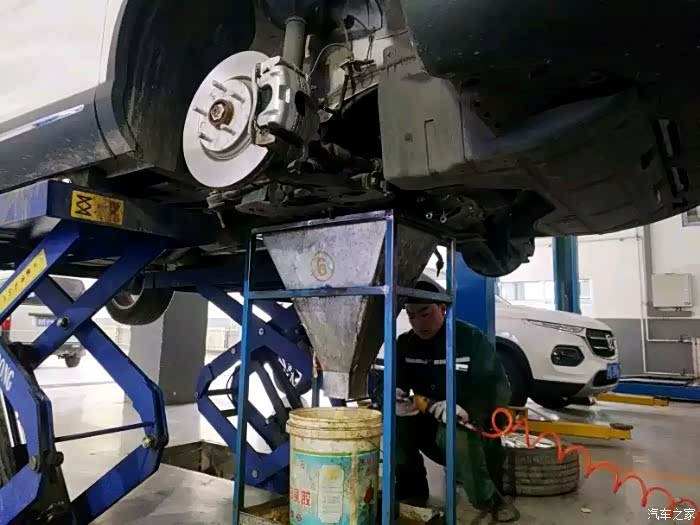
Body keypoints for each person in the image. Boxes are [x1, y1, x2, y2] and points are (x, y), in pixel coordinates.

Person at [395, 280, 518, 522]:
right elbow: (387, 384)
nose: (419, 323)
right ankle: (412, 489)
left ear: (443, 309)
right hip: (428, 420)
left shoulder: (470, 339)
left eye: (425, 314)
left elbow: (496, 388)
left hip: (471, 426)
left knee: (457, 435)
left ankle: (490, 499)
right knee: (394, 426)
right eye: (411, 316)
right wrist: (392, 396)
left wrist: (470, 411)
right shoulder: (405, 344)